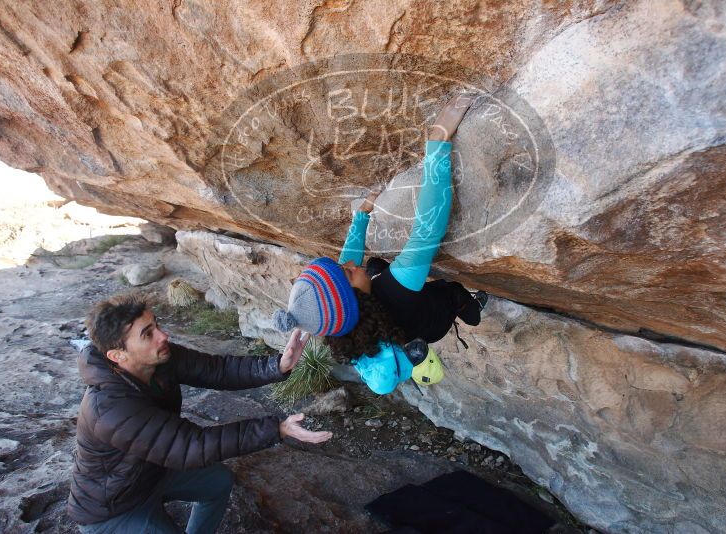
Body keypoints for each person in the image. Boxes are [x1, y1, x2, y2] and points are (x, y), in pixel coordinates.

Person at [273, 93, 487, 393]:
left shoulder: (346, 322)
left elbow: (348, 263)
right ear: (352, 298)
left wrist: (363, 214)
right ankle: (471, 308)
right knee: (450, 290)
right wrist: (437, 143)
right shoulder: (397, 287)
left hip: (402, 321)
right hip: (435, 316)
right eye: (345, 272)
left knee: (373, 266)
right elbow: (427, 230)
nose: (347, 263)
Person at [67, 294, 331, 533]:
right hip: (115, 507)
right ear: (118, 355)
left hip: (153, 472)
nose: (163, 335)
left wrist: (278, 365)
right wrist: (278, 429)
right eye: (147, 334)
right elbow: (191, 446)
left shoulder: (159, 359)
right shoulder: (109, 409)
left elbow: (216, 370)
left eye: (156, 324)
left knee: (218, 482)